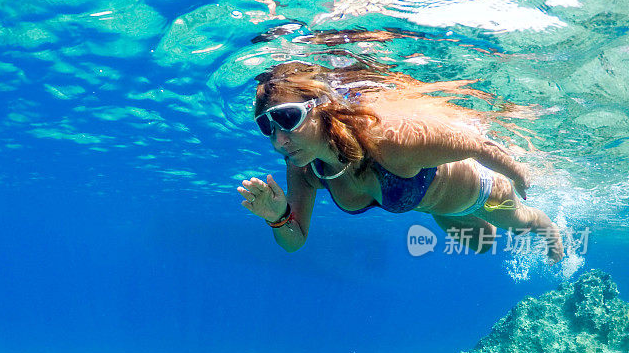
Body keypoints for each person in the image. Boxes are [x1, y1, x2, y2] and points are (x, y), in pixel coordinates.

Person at [237, 61, 564, 263]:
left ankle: (550, 229)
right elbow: (295, 242)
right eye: (268, 126)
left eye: (287, 119)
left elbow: (477, 145)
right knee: (484, 245)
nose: (279, 140)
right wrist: (278, 216)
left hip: (482, 191)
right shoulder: (304, 167)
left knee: (523, 223)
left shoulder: (388, 140)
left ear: (320, 108)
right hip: (438, 207)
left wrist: (518, 174)